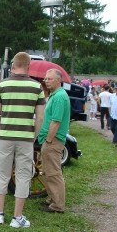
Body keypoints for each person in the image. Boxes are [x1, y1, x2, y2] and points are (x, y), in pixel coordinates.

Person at [0, 52, 45, 228]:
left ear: (13, 65)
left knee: (1, 173)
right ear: (28, 66)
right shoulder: (37, 87)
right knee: (23, 175)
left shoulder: (2, 84)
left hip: (4, 136)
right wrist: (32, 137)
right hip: (26, 138)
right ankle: (17, 217)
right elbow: (40, 118)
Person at [37, 69, 70, 213]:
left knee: (53, 173)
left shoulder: (59, 97)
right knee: (47, 172)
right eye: (45, 78)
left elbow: (56, 122)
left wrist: (49, 140)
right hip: (50, 139)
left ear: (58, 80)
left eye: (49, 78)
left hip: (53, 140)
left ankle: (58, 205)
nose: (46, 80)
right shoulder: (54, 95)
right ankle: (52, 199)